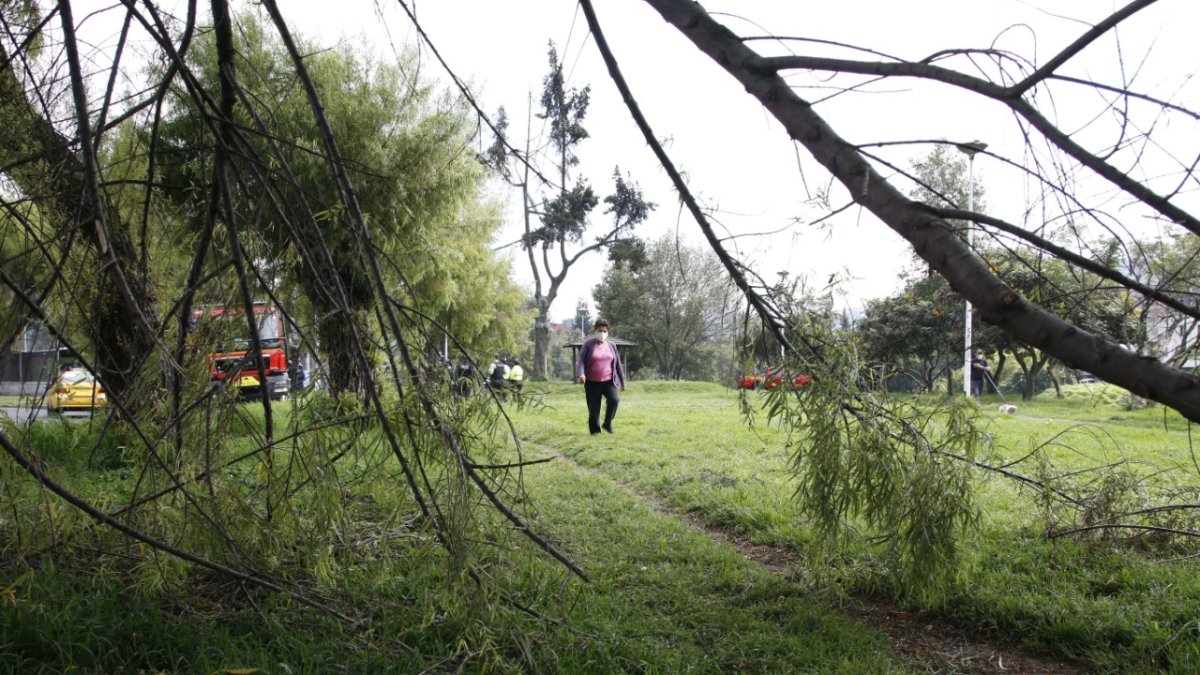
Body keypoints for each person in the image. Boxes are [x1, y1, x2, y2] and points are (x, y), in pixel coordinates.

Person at [575, 318, 626, 434]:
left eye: (604, 331)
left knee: (614, 400)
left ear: (607, 332)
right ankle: (595, 432)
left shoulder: (612, 345)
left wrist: (622, 382)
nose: (602, 333)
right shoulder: (588, 344)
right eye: (599, 331)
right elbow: (581, 361)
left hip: (609, 381)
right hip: (592, 382)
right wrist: (582, 374)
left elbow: (618, 364)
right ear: (595, 331)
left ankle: (607, 423)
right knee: (594, 409)